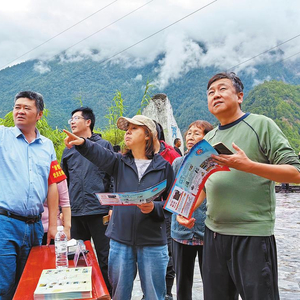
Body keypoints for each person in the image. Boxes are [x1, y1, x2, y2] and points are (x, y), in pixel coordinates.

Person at [180, 72, 300, 300]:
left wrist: (249, 166)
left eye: (222, 89)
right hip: (213, 236)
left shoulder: (261, 125)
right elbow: (204, 185)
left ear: (240, 96)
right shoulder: (209, 138)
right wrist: (186, 209)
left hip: (252, 235)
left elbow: (296, 173)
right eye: (210, 92)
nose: (215, 95)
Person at [63, 115, 174, 300]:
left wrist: (154, 207)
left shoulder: (164, 167)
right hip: (120, 241)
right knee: (120, 294)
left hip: (153, 242)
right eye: (126, 129)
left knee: (155, 295)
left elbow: (171, 204)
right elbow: (99, 154)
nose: (127, 132)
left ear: (148, 134)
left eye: (134, 129)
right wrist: (82, 143)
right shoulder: (119, 163)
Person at [0, 91, 58, 299]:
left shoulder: (48, 146)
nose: (20, 112)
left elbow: (53, 185)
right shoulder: (3, 136)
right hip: (5, 223)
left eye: (27, 108)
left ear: (39, 114)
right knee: (4, 286)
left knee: (32, 283)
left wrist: (53, 224)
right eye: (17, 107)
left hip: (34, 227)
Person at [61, 107, 113, 293]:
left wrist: (112, 205)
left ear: (88, 122)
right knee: (77, 259)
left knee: (106, 258)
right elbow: (63, 181)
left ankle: (108, 294)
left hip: (99, 211)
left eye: (76, 118)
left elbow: (113, 176)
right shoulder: (68, 150)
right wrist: (62, 209)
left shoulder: (104, 145)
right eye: (71, 119)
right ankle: (83, 294)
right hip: (75, 212)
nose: (72, 122)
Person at [171, 120, 213, 300]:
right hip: (181, 231)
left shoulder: (213, 163)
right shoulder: (178, 163)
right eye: (189, 133)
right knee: (182, 282)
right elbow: (173, 194)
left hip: (207, 230)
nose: (190, 137)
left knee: (212, 281)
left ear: (207, 138)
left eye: (197, 133)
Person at [153, 120, 180, 300]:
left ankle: (167, 292)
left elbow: (177, 186)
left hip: (165, 210)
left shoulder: (170, 153)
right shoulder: (138, 154)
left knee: (168, 254)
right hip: (144, 211)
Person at [42, 177, 71, 245]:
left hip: (54, 230)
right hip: (32, 227)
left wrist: (67, 229)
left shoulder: (56, 172)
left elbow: (65, 203)